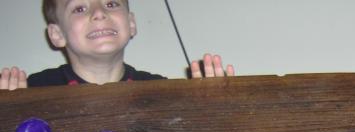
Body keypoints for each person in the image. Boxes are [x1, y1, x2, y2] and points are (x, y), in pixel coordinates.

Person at [0, 0, 234, 90]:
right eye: (79, 8)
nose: (99, 13)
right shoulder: (32, 89)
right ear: (57, 34)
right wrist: (11, 114)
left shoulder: (160, 90)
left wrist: (213, 109)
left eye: (111, 4)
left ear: (131, 24)